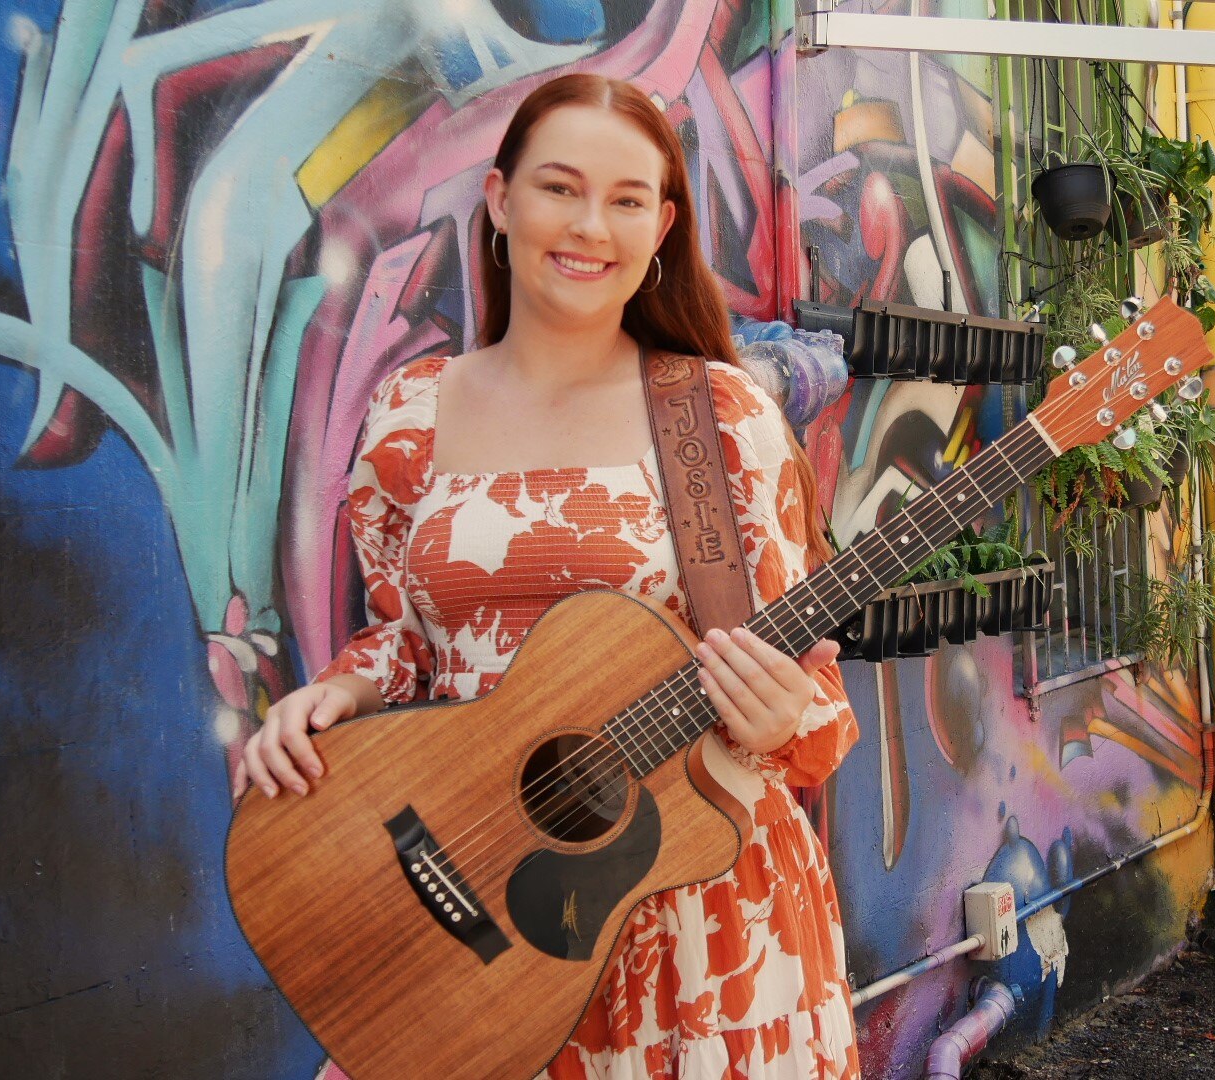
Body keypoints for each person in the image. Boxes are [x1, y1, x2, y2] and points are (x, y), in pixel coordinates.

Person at [236, 72, 861, 1078]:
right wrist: (328, 697)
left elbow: (817, 708)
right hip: (470, 930)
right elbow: (401, 638)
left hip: (700, 936)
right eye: (560, 188)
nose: (590, 227)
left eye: (625, 201)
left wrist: (784, 718)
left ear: (662, 228)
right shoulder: (410, 413)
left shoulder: (723, 421)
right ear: (499, 201)